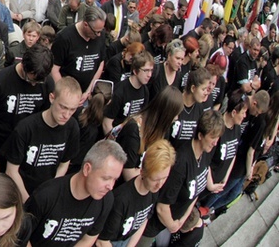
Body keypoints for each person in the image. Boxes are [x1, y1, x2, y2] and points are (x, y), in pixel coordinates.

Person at [140, 111, 224, 246]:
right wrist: (173, 225)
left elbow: (196, 192)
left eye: (218, 138)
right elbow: (162, 207)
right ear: (201, 135)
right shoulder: (181, 163)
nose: (215, 143)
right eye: (213, 137)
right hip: (155, 226)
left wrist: (182, 219)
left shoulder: (206, 152)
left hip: (174, 224)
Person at [26, 140, 125, 247]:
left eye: (115, 179)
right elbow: (21, 236)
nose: (110, 186)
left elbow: (89, 238)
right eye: (106, 178)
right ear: (87, 169)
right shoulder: (46, 195)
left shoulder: (106, 199)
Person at [0, 44, 54, 173]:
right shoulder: (0, 82)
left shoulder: (46, 82)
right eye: (30, 79)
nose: (34, 84)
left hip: (25, 149)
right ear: (23, 65)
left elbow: (44, 117)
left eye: (38, 82)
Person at [4, 76, 82, 204]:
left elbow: (64, 163)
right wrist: (29, 202)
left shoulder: (72, 127)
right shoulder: (26, 128)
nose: (66, 115)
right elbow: (11, 170)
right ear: (52, 98)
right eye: (63, 107)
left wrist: (50, 191)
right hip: (20, 193)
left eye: (72, 109)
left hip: (47, 195)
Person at [97, 139, 177, 247]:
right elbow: (102, 240)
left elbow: (143, 220)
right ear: (142, 171)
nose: (159, 184)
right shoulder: (121, 200)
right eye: (155, 179)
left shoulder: (153, 190)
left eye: (164, 178)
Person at [114, 87, 184, 182]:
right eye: (175, 114)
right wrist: (152, 171)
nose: (176, 118)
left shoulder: (164, 130)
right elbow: (128, 174)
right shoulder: (133, 129)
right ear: (166, 113)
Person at [200, 91, 248, 212]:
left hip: (219, 183)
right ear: (233, 113)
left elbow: (233, 154)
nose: (245, 116)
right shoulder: (218, 129)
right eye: (243, 113)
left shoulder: (237, 129)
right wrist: (210, 185)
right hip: (206, 183)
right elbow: (205, 159)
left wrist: (225, 178)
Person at [50, 6, 107, 104]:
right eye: (96, 32)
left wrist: (88, 91)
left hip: (85, 94)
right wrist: (66, 94)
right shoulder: (64, 38)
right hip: (65, 95)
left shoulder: (100, 36)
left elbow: (100, 64)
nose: (98, 35)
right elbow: (54, 69)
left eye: (100, 31)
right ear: (85, 24)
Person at [102, 51, 154, 134]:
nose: (150, 75)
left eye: (151, 70)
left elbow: (142, 117)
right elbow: (106, 123)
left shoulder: (145, 91)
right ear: (135, 71)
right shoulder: (119, 92)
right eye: (146, 70)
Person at [170, 67, 210, 150]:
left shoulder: (199, 108)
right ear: (193, 88)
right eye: (203, 89)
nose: (206, 93)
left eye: (207, 89)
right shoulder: (175, 103)